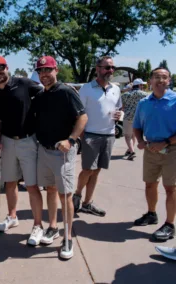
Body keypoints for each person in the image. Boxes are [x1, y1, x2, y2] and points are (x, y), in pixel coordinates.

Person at [34, 56, 87, 259]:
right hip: (44, 150)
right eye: (41, 71)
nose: (44, 74)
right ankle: (53, 227)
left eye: (48, 70)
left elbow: (83, 116)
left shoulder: (66, 91)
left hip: (62, 151)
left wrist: (72, 140)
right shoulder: (40, 95)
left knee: (65, 196)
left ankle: (67, 237)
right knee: (51, 189)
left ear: (56, 70)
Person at [0, 55, 44, 246]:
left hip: (28, 140)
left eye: (1, 67)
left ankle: (38, 225)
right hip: (7, 141)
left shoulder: (24, 84)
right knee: (9, 182)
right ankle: (12, 216)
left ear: (7, 67)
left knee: (31, 185)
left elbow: (45, 95)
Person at [73, 56, 122, 217]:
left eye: (112, 67)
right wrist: (81, 135)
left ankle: (87, 203)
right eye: (107, 67)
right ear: (98, 69)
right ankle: (77, 194)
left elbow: (118, 108)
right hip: (90, 135)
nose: (111, 71)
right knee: (87, 170)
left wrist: (119, 115)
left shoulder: (115, 89)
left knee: (97, 170)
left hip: (108, 135)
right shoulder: (87, 88)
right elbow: (78, 114)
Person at [133, 67, 176, 241]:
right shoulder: (144, 103)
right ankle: (151, 214)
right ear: (150, 80)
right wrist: (141, 141)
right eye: (156, 77)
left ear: (169, 80)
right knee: (150, 184)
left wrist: (165, 143)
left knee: (170, 188)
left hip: (172, 150)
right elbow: (137, 126)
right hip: (151, 150)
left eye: (164, 77)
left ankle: (169, 224)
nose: (160, 80)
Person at [122, 78, 147, 160]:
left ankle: (132, 151)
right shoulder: (145, 94)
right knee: (133, 135)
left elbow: (122, 107)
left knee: (127, 136)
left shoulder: (126, 95)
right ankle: (130, 149)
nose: (143, 86)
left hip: (128, 117)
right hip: (139, 119)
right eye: (142, 85)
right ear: (139, 85)